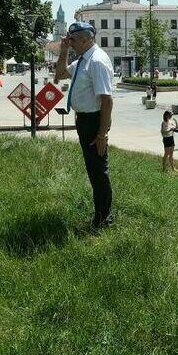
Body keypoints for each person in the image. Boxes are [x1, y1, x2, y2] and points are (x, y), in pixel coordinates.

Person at [54, 21, 115, 231]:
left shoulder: (96, 61)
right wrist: (63, 51)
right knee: (93, 169)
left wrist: (101, 135)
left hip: (94, 121)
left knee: (98, 171)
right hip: (84, 120)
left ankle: (104, 218)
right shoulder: (83, 60)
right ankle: (101, 214)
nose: (70, 42)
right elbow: (60, 74)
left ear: (85, 40)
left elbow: (107, 101)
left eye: (72, 40)